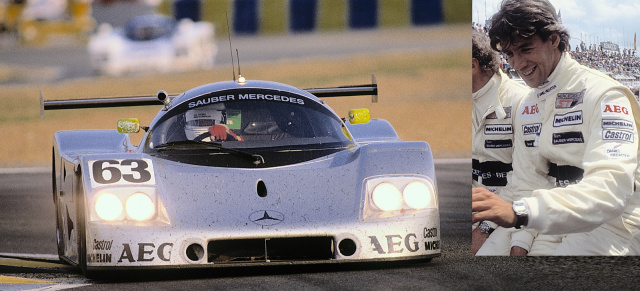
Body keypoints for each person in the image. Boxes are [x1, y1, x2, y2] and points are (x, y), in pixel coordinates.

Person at [472, 0, 640, 255]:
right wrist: (521, 241)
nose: (517, 64)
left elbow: (610, 191)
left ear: (553, 39)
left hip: (612, 224)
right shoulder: (528, 105)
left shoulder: (605, 94)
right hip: (550, 220)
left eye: (525, 49)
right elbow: (528, 182)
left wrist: (521, 212)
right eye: (509, 55)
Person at [471, 31, 531, 255]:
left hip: (510, 210)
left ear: (473, 65)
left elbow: (526, 176)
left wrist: (486, 226)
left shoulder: (521, 101)